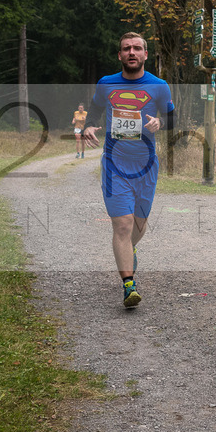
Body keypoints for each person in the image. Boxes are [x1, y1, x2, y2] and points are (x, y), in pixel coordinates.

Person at [83, 32, 175, 308]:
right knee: (122, 225)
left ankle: (128, 248)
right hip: (115, 164)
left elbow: (171, 119)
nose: (132, 52)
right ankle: (129, 285)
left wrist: (161, 123)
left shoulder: (159, 86)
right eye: (126, 49)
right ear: (120, 55)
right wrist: (88, 125)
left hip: (146, 165)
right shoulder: (106, 84)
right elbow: (95, 108)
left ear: (146, 55)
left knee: (138, 225)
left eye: (137, 48)